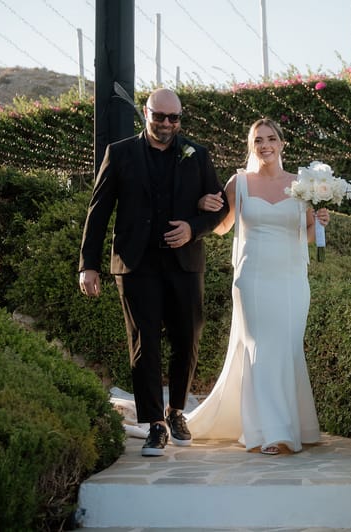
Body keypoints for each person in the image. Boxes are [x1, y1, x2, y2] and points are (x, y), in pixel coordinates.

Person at [78, 88, 228, 457]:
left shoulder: (198, 154)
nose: (166, 124)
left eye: (173, 118)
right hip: (135, 264)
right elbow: (98, 212)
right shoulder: (121, 152)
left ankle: (176, 411)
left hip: (184, 263)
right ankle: (154, 425)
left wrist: (194, 227)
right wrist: (89, 264)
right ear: (145, 114)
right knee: (144, 342)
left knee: (188, 338)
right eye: (159, 116)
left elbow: (220, 209)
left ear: (180, 119)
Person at [187, 118, 329, 455]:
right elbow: (222, 228)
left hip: (292, 279)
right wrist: (203, 206)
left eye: (270, 139)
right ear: (252, 146)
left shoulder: (302, 184)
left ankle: (292, 425)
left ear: (282, 144)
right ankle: (269, 431)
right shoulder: (240, 183)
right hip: (252, 278)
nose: (265, 145)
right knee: (260, 348)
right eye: (257, 140)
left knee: (287, 349)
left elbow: (308, 235)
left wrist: (320, 223)